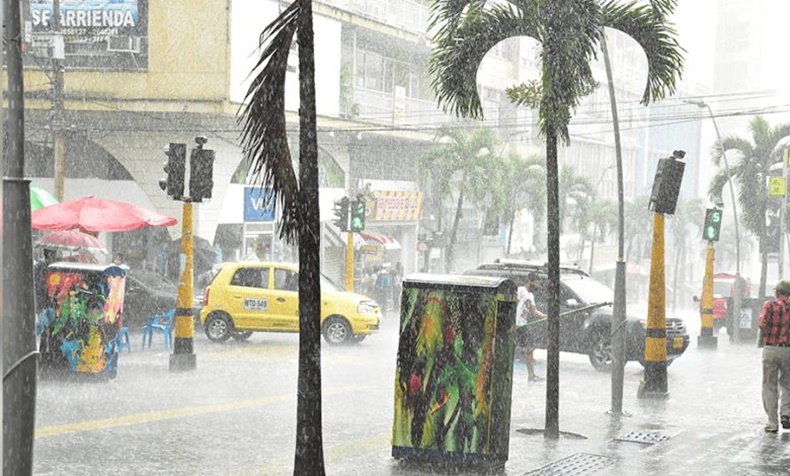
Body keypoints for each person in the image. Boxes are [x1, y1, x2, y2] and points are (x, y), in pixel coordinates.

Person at [758, 279, 790, 433]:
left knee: (769, 385)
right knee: (788, 384)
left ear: (777, 292)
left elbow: (762, 323)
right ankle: (786, 414)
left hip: (771, 349)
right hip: (789, 351)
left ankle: (772, 423)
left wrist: (770, 332)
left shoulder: (769, 305)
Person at [515, 272, 546, 382]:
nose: (536, 286)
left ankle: (531, 375)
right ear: (529, 281)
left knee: (530, 348)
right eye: (535, 284)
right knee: (513, 348)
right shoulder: (520, 290)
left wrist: (546, 316)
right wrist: (512, 323)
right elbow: (514, 305)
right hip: (516, 325)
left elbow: (534, 311)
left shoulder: (531, 296)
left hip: (523, 325)